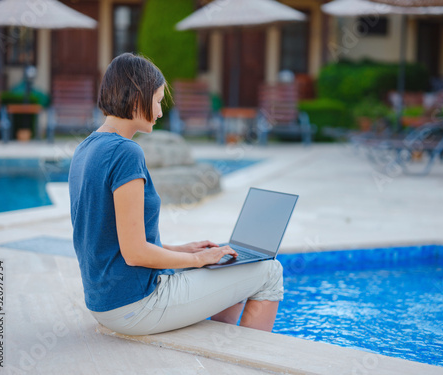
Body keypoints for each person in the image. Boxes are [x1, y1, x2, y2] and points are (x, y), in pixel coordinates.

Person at [68, 53, 284, 336]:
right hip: (135, 306)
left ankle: (218, 347)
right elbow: (134, 253)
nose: (159, 112)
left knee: (229, 262)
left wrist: (183, 250)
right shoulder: (125, 152)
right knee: (270, 271)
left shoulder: (86, 148)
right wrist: (197, 261)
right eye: (157, 100)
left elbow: (114, 242)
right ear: (137, 97)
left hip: (105, 302)